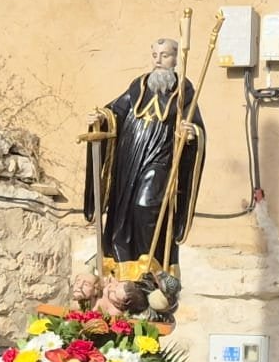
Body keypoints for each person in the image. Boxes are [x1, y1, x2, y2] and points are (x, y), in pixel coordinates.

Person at [84, 36, 206, 266]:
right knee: (124, 210)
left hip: (160, 159)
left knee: (146, 205)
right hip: (129, 159)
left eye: (165, 56)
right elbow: (115, 112)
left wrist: (191, 134)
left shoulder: (184, 93)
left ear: (175, 59)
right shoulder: (138, 86)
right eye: (155, 55)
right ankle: (123, 263)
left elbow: (197, 128)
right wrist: (101, 117)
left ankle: (150, 262)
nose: (159, 60)